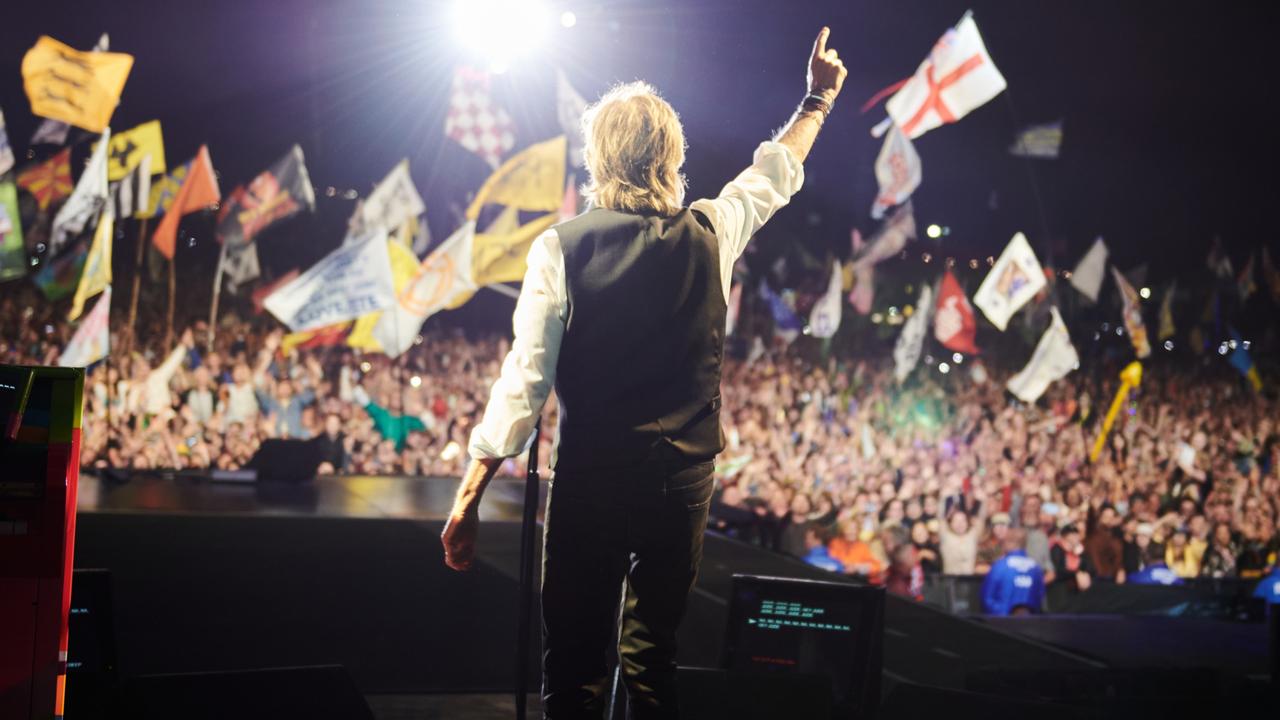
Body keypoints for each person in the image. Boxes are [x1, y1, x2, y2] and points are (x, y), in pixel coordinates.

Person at [440, 27, 848, 719]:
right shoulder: (713, 232)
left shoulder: (561, 248)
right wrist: (817, 99)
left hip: (593, 480)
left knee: (574, 658)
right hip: (681, 483)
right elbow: (775, 172)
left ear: (598, 157)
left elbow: (527, 381)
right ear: (673, 156)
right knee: (652, 655)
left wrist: (471, 490)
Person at [981, 528, 1046, 616]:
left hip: (1001, 624)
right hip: (1030, 624)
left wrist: (1002, 615)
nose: (1002, 545)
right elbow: (1040, 597)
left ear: (1010, 543)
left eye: (1003, 542)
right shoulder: (1036, 568)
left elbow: (987, 597)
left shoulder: (1000, 566)